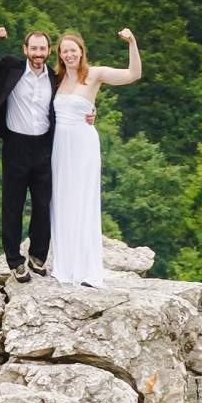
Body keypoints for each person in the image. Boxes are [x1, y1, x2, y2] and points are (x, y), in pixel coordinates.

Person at [0, 27, 95, 282]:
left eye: (43, 49)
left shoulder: (54, 76)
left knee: (44, 203)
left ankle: (37, 256)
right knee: (13, 205)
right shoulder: (10, 69)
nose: (38, 54)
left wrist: (91, 111)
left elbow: (74, 96)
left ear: (49, 52)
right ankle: (14, 260)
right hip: (15, 145)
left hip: (45, 147)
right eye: (34, 48)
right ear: (26, 50)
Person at [51, 29, 141, 288]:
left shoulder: (94, 74)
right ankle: (64, 268)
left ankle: (88, 272)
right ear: (60, 55)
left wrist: (132, 42)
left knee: (83, 201)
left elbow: (133, 74)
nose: (69, 55)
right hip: (60, 145)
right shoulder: (55, 79)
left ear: (81, 51)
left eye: (73, 50)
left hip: (83, 142)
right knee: (61, 200)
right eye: (64, 51)